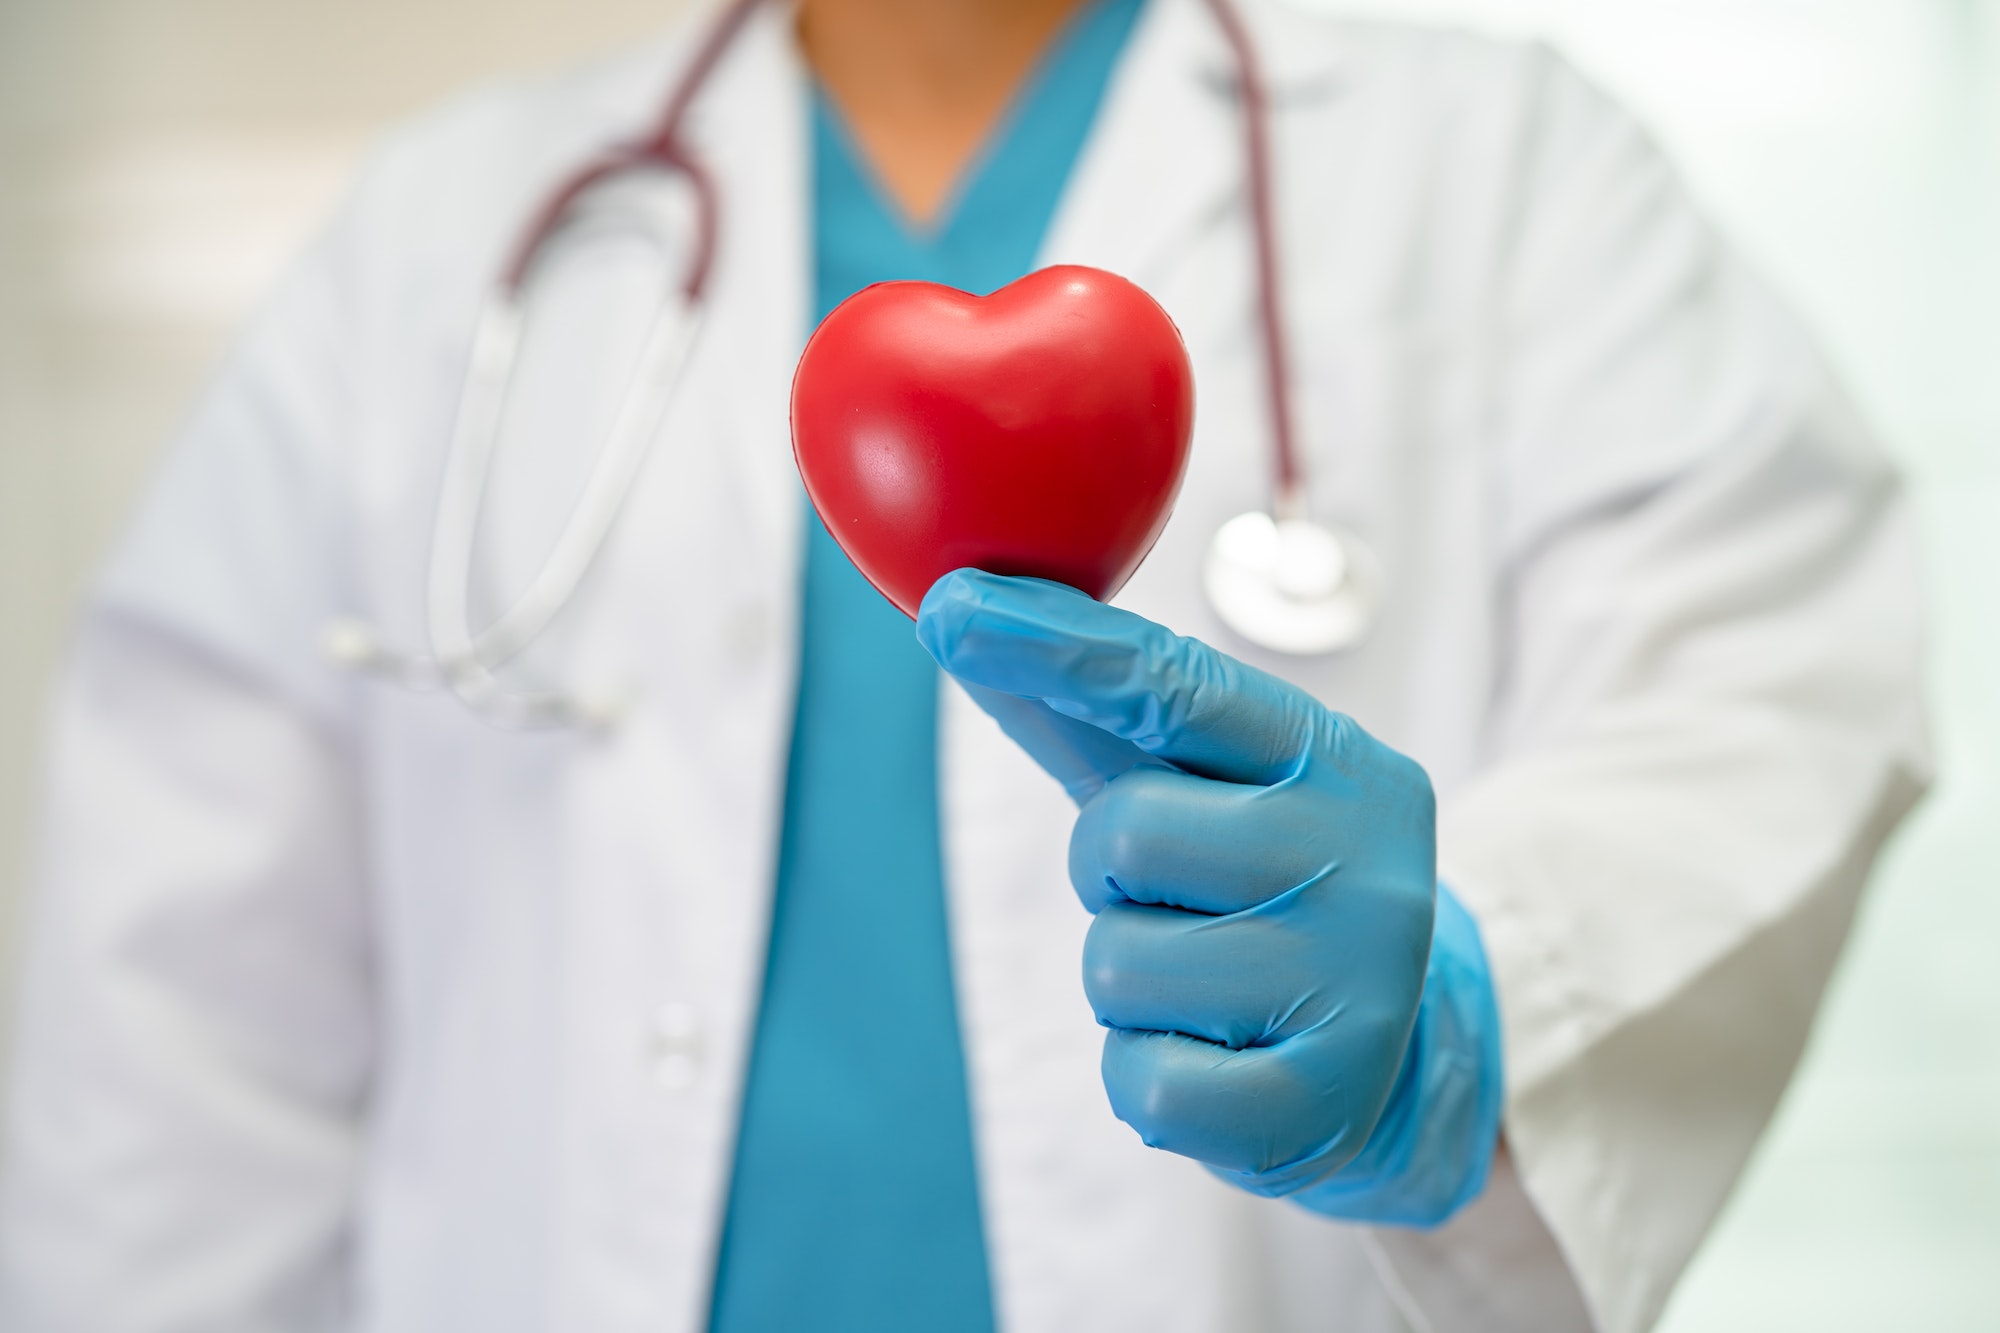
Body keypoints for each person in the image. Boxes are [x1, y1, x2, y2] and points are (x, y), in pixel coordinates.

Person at [0, 0, 1928, 1327]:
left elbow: (1766, 685)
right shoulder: (427, 250)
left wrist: (1480, 993)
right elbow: (171, 1053)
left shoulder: (1508, 178)